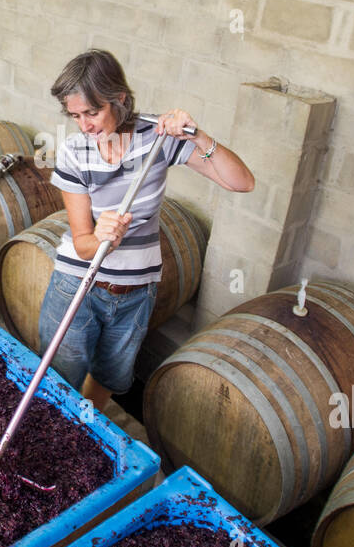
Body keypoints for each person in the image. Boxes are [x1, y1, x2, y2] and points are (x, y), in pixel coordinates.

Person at [39, 49, 255, 412]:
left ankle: (83, 428)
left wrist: (197, 135)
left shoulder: (158, 137)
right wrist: (102, 235)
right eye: (75, 116)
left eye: (93, 112)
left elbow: (241, 183)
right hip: (78, 283)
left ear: (119, 98)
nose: (85, 125)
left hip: (137, 292)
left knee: (110, 375)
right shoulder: (75, 152)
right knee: (59, 377)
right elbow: (83, 244)